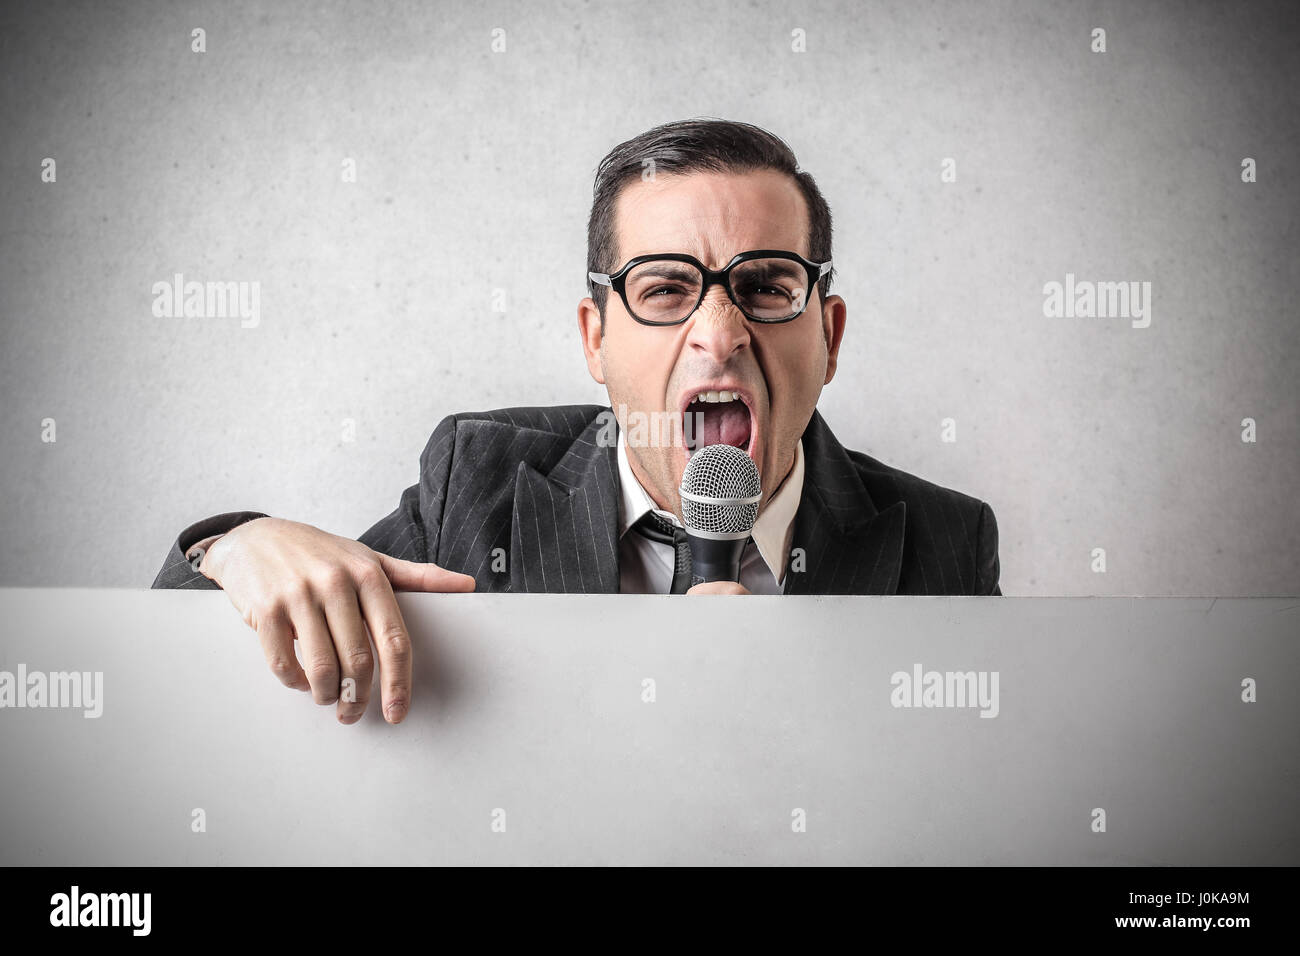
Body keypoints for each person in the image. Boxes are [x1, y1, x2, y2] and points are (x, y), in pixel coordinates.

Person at [152, 118, 1002, 726]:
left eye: (767, 284)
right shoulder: (475, 483)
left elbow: (984, 799)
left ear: (830, 333)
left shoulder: (945, 541)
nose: (720, 332)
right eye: (666, 287)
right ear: (596, 339)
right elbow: (197, 675)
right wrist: (233, 547)